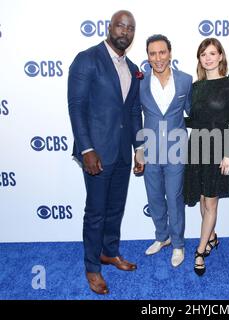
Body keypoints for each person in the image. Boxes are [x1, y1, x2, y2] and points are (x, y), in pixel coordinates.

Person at [67, 10, 143, 294]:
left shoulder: (133, 67)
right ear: (109, 27)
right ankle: (92, 267)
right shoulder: (88, 59)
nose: (125, 31)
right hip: (96, 153)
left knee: (115, 209)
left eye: (131, 28)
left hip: (123, 152)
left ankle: (109, 252)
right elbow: (76, 106)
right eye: (121, 25)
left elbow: (134, 111)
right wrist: (87, 148)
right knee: (96, 212)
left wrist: (140, 148)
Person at [183, 38, 229, 276]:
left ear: (220, 57)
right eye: (203, 54)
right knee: (201, 198)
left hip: (219, 148)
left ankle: (200, 250)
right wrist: (172, 119)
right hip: (196, 145)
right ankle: (212, 237)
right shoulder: (196, 87)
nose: (207, 58)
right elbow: (196, 120)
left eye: (211, 53)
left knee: (211, 201)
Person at [136, 34, 192, 267]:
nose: (158, 58)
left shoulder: (186, 81)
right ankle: (162, 236)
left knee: (175, 197)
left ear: (170, 53)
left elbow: (194, 114)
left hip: (177, 150)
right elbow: (133, 118)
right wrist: (138, 149)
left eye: (162, 52)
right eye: (152, 53)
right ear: (147, 57)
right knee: (155, 196)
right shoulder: (139, 84)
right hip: (149, 148)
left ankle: (178, 244)